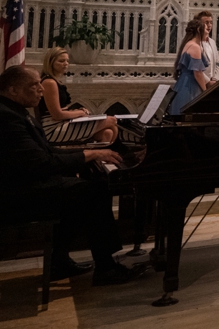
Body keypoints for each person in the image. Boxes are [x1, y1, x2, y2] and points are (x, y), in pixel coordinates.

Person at [0, 66, 136, 284]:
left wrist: (88, 153)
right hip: (15, 194)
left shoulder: (15, 111)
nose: (40, 90)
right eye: (34, 85)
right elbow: (42, 163)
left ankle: (59, 261)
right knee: (94, 191)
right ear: (13, 90)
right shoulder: (7, 118)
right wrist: (90, 153)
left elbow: (47, 152)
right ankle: (106, 268)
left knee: (82, 188)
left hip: (24, 184)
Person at [37, 47, 117, 144]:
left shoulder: (55, 81)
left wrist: (76, 111)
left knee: (107, 133)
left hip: (62, 123)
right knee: (111, 120)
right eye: (61, 61)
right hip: (52, 128)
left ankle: (103, 158)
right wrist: (80, 112)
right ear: (50, 62)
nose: (66, 63)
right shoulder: (49, 82)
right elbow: (57, 115)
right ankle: (115, 154)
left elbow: (61, 110)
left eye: (67, 60)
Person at [169, 19, 209, 115]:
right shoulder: (195, 46)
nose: (208, 32)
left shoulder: (188, 44)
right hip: (190, 87)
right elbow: (197, 73)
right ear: (199, 30)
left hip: (183, 83)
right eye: (206, 29)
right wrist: (206, 92)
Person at [194, 10, 219, 88]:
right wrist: (207, 82)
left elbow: (218, 63)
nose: (209, 25)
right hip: (199, 84)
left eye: (211, 22)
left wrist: (215, 79)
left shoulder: (212, 42)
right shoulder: (195, 43)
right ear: (199, 25)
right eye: (206, 23)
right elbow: (196, 68)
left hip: (213, 83)